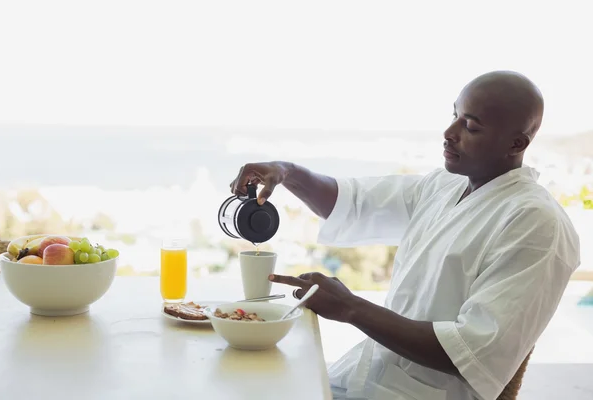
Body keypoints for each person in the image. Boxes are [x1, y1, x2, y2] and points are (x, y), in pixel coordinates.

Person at [229, 71, 580, 400]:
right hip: (364, 379)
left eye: (470, 126)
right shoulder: (447, 184)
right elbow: (353, 203)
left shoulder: (536, 225)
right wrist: (287, 172)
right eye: (455, 115)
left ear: (516, 142)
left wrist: (350, 308)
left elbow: (470, 352)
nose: (449, 132)